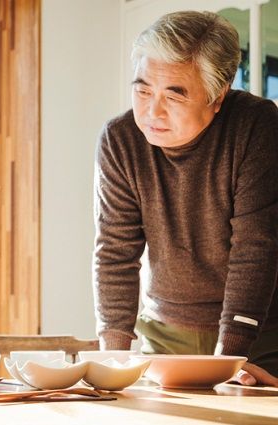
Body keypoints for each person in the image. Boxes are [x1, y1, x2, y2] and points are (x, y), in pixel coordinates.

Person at [92, 10, 278, 387]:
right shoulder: (120, 139)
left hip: (258, 328)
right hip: (165, 332)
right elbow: (115, 251)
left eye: (173, 96)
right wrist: (115, 356)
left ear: (217, 96)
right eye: (143, 90)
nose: (152, 112)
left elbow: (255, 247)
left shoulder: (256, 126)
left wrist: (230, 357)